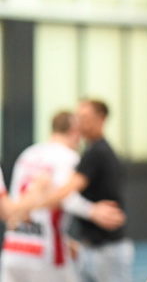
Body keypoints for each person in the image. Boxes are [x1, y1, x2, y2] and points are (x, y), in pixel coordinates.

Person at [1, 112, 83, 282]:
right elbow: (67, 199)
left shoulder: (28, 153)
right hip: (46, 252)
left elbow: (11, 210)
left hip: (14, 247)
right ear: (75, 132)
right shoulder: (68, 158)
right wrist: (93, 211)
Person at [57, 100, 132, 282]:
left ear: (100, 118)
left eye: (84, 117)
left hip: (107, 251)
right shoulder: (90, 151)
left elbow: (67, 190)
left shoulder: (98, 153)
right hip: (91, 248)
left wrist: (30, 203)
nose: (78, 123)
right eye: (77, 118)